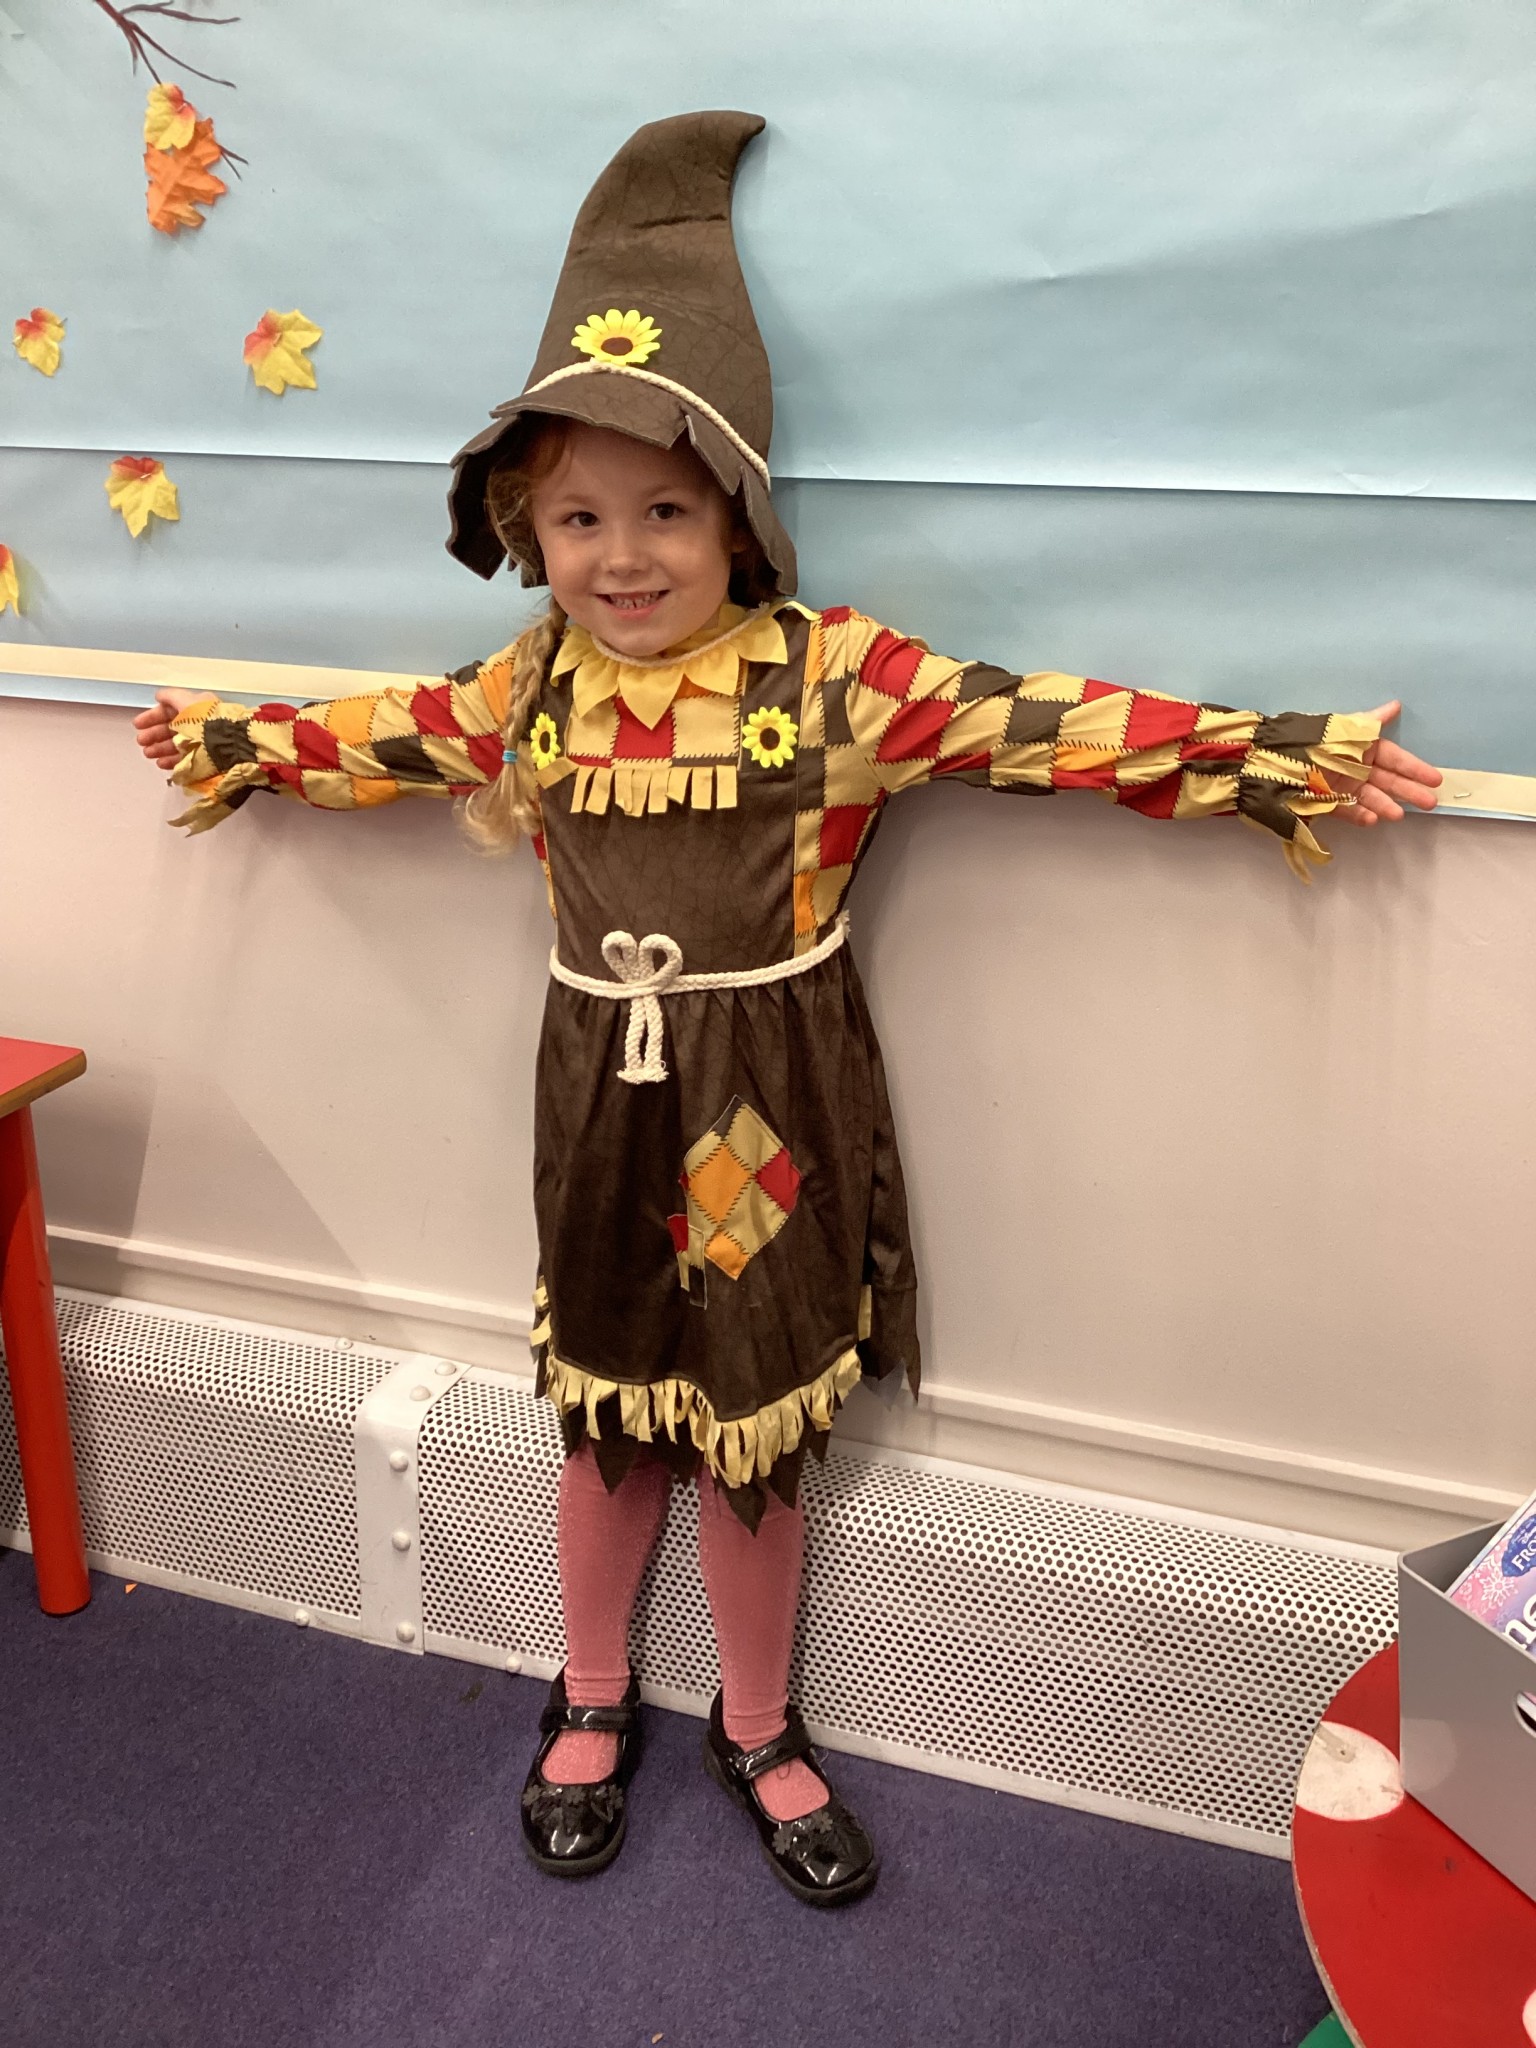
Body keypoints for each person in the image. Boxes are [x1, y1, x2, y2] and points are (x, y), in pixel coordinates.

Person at [133, 111, 1441, 1907]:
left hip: (769, 1099)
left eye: (662, 508)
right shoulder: (527, 691)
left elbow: (1043, 723)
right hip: (597, 1086)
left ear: (735, 513)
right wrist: (226, 743)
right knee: (603, 1396)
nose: (620, 553)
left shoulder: (831, 681)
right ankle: (588, 1689)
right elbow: (374, 736)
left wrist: (1274, 760)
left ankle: (759, 1718)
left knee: (754, 1416)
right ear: (530, 528)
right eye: (579, 514)